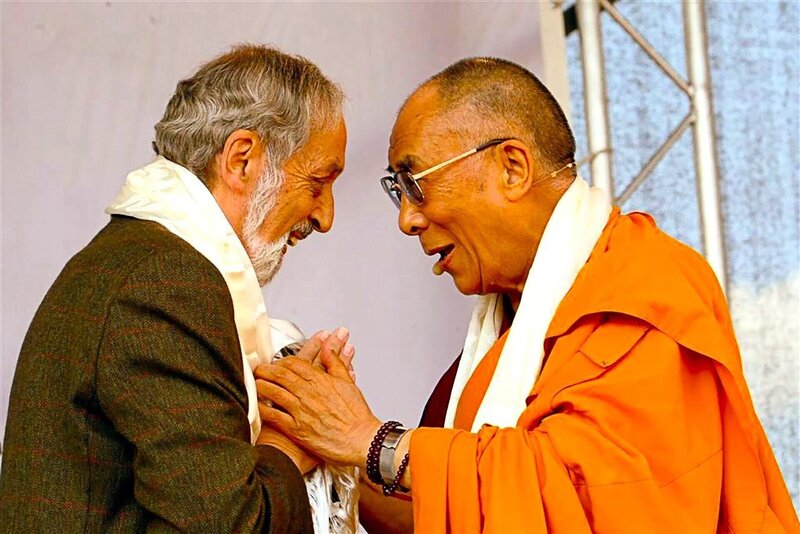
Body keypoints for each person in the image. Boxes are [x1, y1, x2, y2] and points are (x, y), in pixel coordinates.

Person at [254, 57, 799, 532]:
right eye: (398, 192)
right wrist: (332, 441)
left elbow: (606, 502)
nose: (407, 219)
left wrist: (371, 441)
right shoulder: (495, 350)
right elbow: (446, 517)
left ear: (511, 167)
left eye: (415, 183)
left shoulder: (646, 286)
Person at [0, 44, 353, 532]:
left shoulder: (139, 258)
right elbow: (232, 523)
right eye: (318, 182)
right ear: (242, 160)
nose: (325, 216)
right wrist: (289, 444)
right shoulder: (165, 280)